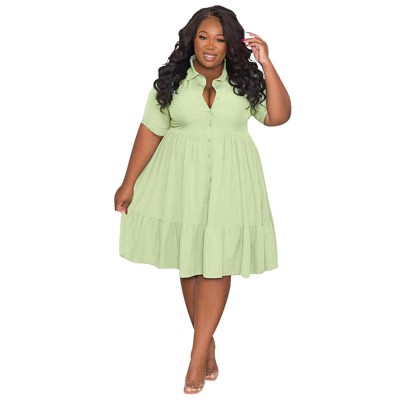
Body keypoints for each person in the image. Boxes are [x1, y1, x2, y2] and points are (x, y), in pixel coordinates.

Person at [114, 5, 291, 395]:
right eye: (204, 37)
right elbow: (150, 131)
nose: (211, 46)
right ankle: (206, 343)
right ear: (191, 39)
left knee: (218, 261)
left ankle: (196, 356)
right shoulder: (172, 81)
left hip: (232, 181)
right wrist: (128, 183)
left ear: (231, 44)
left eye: (220, 39)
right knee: (192, 262)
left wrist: (267, 63)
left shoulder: (246, 81)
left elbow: (278, 117)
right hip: (181, 180)